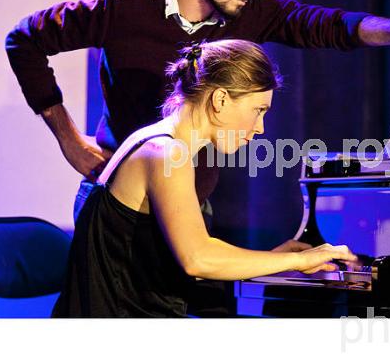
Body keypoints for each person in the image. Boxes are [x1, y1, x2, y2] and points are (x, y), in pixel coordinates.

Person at [5, 0, 390, 202]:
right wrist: (67, 136)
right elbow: (23, 39)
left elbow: (331, 25)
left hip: (192, 201)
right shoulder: (120, 6)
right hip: (117, 199)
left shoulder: (251, 10)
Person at [51, 39, 357, 317]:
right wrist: (298, 262)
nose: (260, 127)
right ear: (221, 99)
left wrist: (272, 259)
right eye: (258, 109)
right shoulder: (166, 152)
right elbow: (197, 259)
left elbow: (179, 258)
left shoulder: (159, 143)